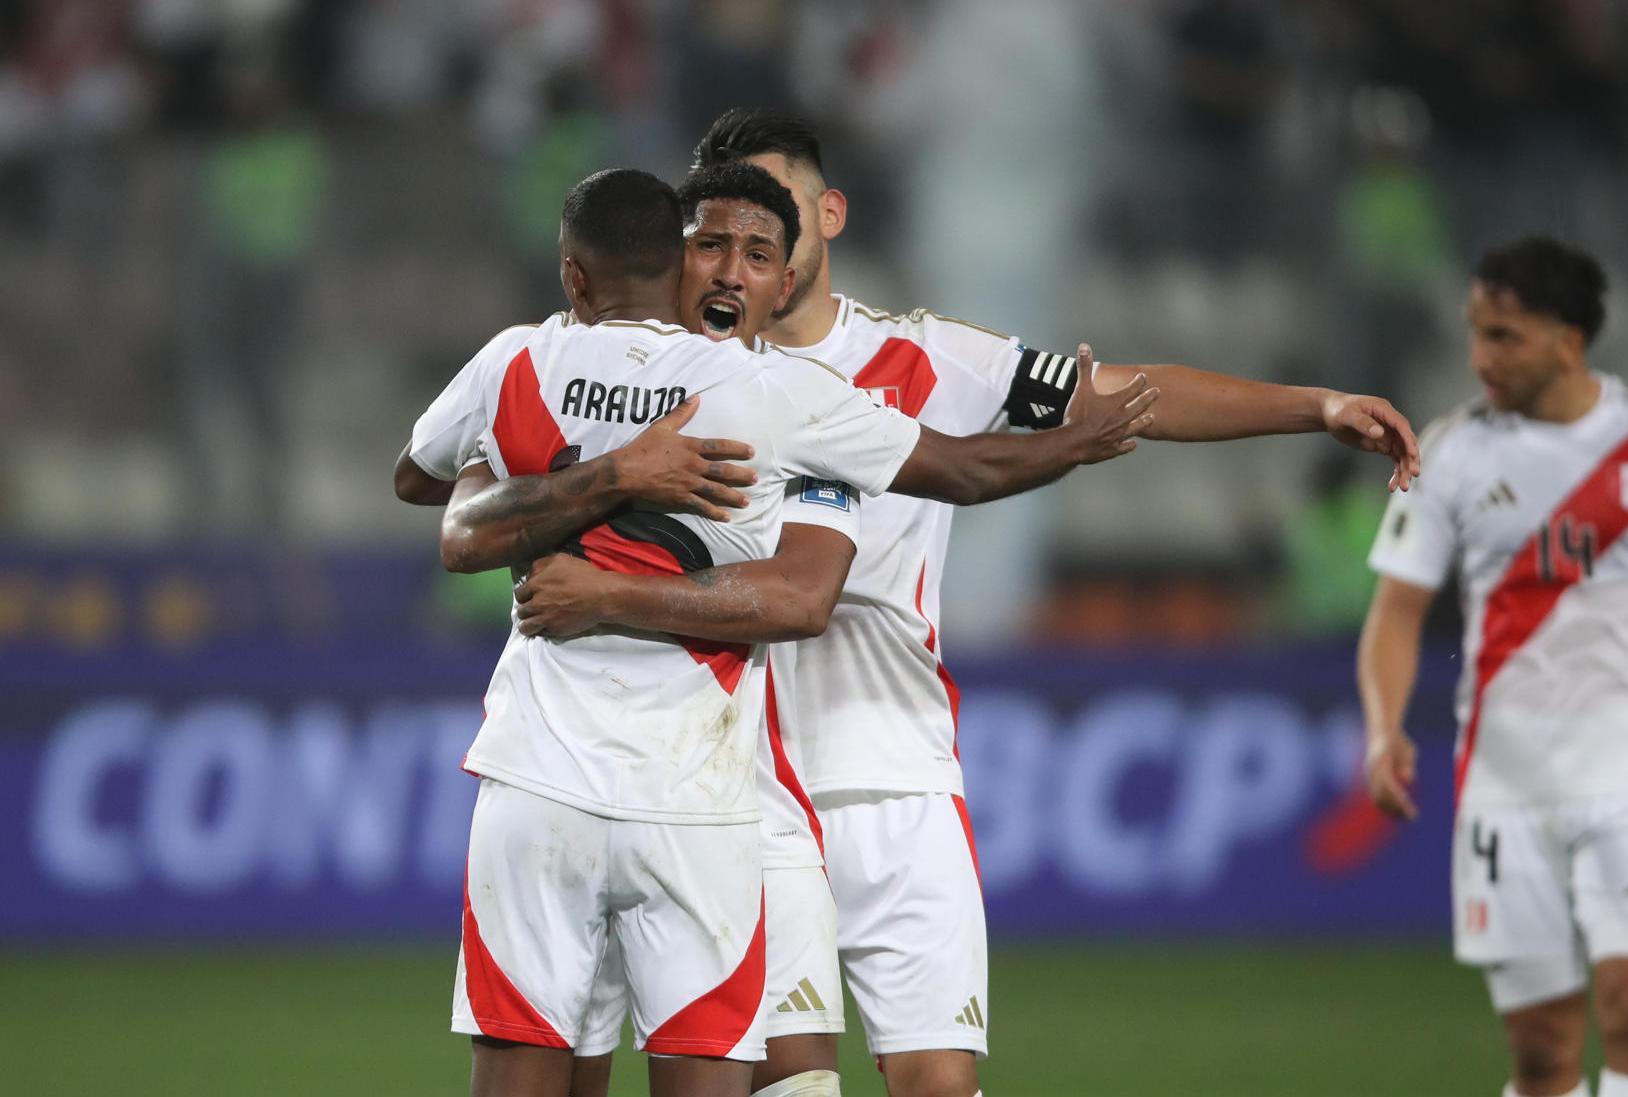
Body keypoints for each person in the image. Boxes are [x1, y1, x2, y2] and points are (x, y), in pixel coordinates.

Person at [523, 107, 1420, 1097]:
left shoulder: (926, 360)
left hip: (899, 767)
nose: (745, 241)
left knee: (941, 1083)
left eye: (774, 209)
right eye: (719, 228)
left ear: (827, 214)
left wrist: (1314, 405)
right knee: (788, 1084)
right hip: (738, 782)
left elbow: (1125, 392)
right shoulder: (676, 377)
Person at [414, 165, 1154, 1097]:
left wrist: (593, 543)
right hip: (695, 804)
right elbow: (953, 477)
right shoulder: (786, 400)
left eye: (757, 255)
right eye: (712, 248)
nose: (730, 273)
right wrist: (1072, 444)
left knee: (537, 1067)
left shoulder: (526, 360)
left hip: (544, 782)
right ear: (672, 257)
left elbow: (435, 497)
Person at [1358, 236, 1628, 1097]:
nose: (1481, 356)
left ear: (1569, 338)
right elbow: (1394, 614)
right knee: (1542, 1055)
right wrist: (1383, 729)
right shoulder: (1448, 453)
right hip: (1507, 786)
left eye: (1505, 336)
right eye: (1477, 332)